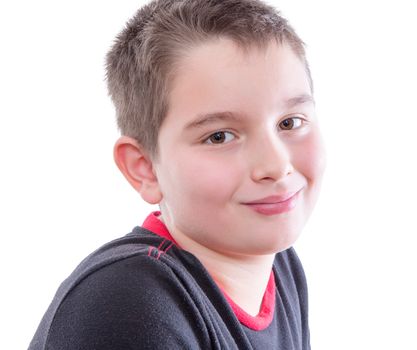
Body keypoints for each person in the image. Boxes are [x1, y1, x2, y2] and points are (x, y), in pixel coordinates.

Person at [29, 0, 325, 348]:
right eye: (219, 136)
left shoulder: (279, 265)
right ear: (144, 168)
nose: (276, 166)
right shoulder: (129, 303)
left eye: (289, 123)